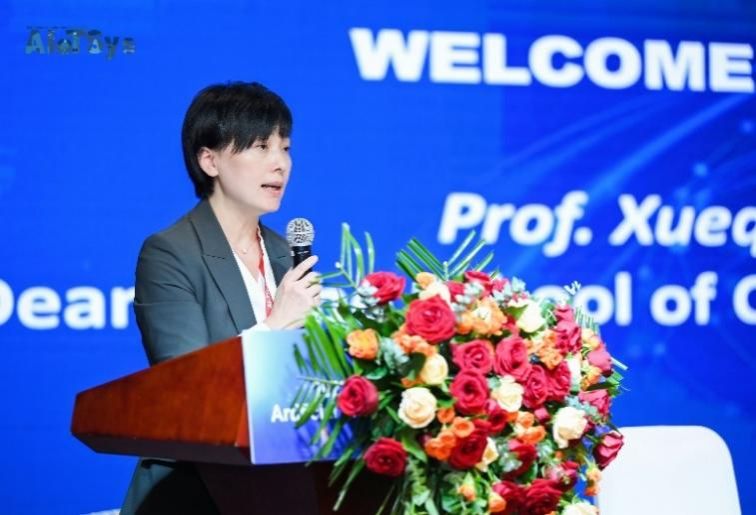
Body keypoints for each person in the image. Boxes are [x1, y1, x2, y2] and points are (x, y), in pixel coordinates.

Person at [121, 81, 321, 514]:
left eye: (285, 148)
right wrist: (276, 325)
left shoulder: (285, 253)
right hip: (193, 490)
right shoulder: (170, 253)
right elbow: (187, 383)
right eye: (261, 147)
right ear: (209, 160)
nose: (280, 163)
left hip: (282, 484)